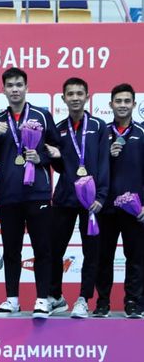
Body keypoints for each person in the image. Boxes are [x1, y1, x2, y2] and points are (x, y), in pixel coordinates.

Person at [0, 67, 58, 319]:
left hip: (37, 192)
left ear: (27, 87)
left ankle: (42, 300)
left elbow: (58, 150)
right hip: (8, 194)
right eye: (10, 85)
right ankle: (12, 300)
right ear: (3, 90)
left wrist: (42, 157)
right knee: (11, 249)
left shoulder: (42, 115)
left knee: (42, 248)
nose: (15, 89)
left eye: (19, 84)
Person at [46, 77, 109, 319]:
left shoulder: (99, 126)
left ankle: (83, 299)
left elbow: (104, 163)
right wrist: (54, 156)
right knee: (54, 249)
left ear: (87, 96)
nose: (74, 97)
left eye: (79, 93)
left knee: (91, 251)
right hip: (64, 199)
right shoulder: (59, 128)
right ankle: (56, 296)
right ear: (63, 99)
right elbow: (61, 168)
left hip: (92, 201)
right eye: (70, 94)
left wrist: (101, 197)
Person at [93, 83, 144, 318]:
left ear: (134, 104)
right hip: (106, 207)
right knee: (103, 258)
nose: (122, 105)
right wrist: (108, 156)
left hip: (135, 209)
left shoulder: (142, 133)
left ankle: (133, 302)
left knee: (136, 258)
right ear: (110, 104)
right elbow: (92, 169)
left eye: (127, 101)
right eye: (118, 101)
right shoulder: (102, 133)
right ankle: (102, 302)